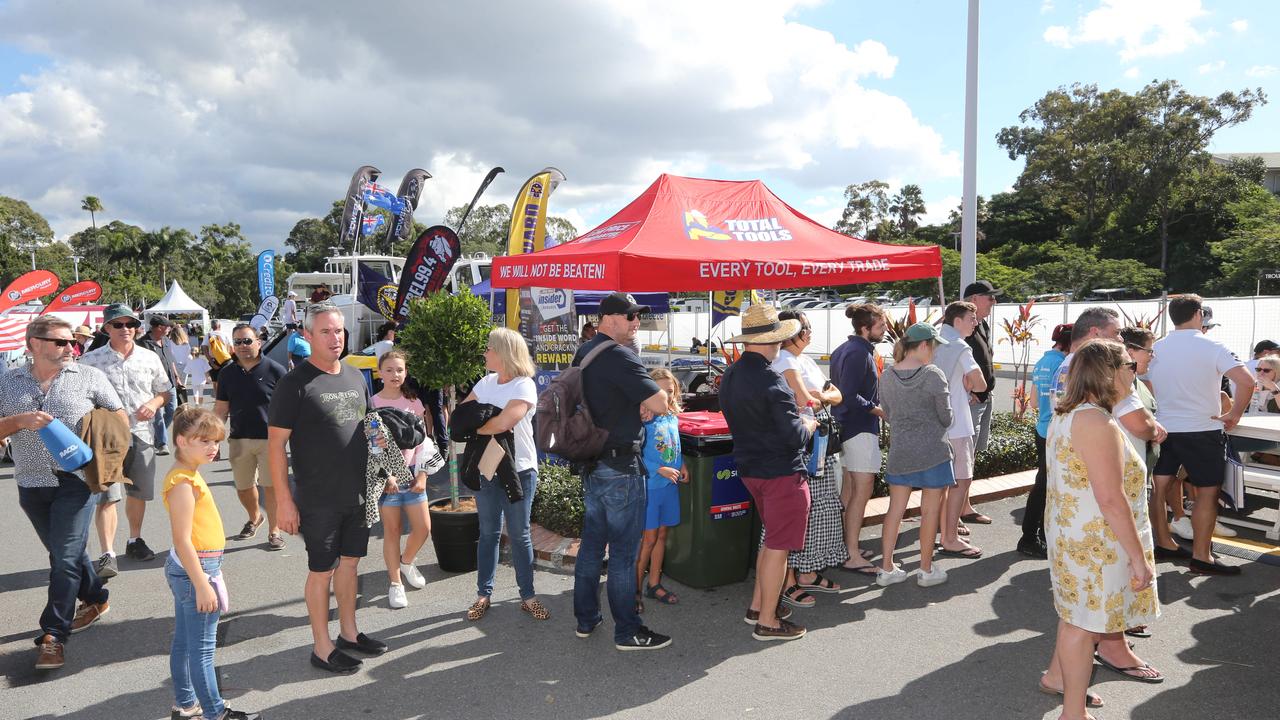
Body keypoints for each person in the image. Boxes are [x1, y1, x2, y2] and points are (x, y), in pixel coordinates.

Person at [0, 315, 125, 671]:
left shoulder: (89, 376)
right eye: (61, 342)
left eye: (72, 342)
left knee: (64, 558)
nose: (71, 347)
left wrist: (103, 447)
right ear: (34, 344)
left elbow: (119, 419)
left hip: (77, 481)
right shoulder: (8, 383)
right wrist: (18, 421)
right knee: (64, 553)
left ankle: (53, 636)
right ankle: (97, 598)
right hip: (31, 481)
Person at [1043, 339, 1160, 716]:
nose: (1136, 370)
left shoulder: (1070, 412)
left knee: (1076, 617)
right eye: (1130, 364)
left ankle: (1057, 679)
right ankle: (1072, 712)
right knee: (1084, 624)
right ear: (1109, 372)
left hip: (1075, 533)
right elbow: (1111, 498)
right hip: (1096, 540)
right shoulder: (1097, 421)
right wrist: (1138, 558)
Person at [268, 303, 386, 673]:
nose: (335, 338)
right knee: (322, 570)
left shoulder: (355, 377)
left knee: (350, 563)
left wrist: (387, 468)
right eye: (325, 332)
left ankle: (349, 634)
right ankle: (321, 647)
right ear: (307, 335)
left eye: (339, 331)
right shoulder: (293, 384)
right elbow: (275, 447)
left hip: (359, 492)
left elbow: (370, 428)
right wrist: (284, 502)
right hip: (318, 498)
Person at [572, 292, 672, 651]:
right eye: (630, 317)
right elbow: (660, 401)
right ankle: (628, 631)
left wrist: (638, 404)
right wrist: (646, 404)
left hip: (593, 462)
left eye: (637, 317)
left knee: (592, 548)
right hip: (620, 466)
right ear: (608, 319)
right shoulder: (618, 355)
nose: (636, 323)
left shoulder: (586, 351)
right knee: (623, 556)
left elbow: (610, 399)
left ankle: (586, 619)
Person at [720, 303, 816, 641]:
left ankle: (759, 607)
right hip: (781, 472)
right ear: (771, 339)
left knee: (771, 540)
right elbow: (795, 436)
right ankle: (768, 621)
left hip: (750, 468)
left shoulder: (731, 373)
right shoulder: (772, 381)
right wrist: (808, 421)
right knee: (778, 546)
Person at [162, 405, 262, 720]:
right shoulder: (182, 482)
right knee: (202, 650)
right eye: (203, 440)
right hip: (196, 569)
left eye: (215, 441)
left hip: (195, 567)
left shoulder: (188, 474)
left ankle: (186, 704)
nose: (212, 447)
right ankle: (214, 713)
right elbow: (182, 540)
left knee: (184, 641)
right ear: (181, 440)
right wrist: (203, 584)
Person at [1147, 294, 1252, 575]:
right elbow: (1247, 381)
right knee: (1206, 493)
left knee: (1159, 490)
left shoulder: (1156, 348)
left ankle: (1164, 544)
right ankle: (1202, 557)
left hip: (1164, 428)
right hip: (1202, 430)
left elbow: (1146, 382)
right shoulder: (1213, 346)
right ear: (1198, 314)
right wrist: (1235, 414)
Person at [80, 303, 173, 576]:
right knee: (107, 495)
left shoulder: (149, 357)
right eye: (118, 325)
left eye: (130, 324)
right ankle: (108, 553)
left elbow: (165, 390)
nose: (125, 329)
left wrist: (154, 403)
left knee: (138, 492)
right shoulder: (90, 360)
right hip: (106, 439)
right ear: (106, 328)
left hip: (142, 434)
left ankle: (134, 539)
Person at [461, 328, 547, 622]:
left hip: (519, 470)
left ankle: (528, 595)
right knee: (488, 533)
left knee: (521, 535)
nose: (484, 353)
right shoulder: (486, 381)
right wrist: (487, 420)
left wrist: (480, 422)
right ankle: (483, 594)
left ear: (503, 352)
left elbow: (505, 422)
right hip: (487, 467)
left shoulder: (524, 385)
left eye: (489, 348)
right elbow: (460, 417)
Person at [772, 310, 847, 607]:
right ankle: (788, 581)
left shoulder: (805, 361)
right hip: (800, 444)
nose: (810, 332)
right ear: (793, 331)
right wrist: (820, 397)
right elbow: (806, 400)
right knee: (799, 513)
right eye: (806, 327)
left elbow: (832, 395)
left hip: (819, 442)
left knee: (818, 511)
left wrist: (820, 397)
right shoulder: (784, 361)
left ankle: (808, 571)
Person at [876, 322, 954, 588]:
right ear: (923, 345)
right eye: (933, 347)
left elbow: (887, 413)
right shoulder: (933, 375)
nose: (933, 352)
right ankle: (925, 569)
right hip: (933, 451)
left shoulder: (886, 376)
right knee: (930, 512)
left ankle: (886, 569)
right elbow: (946, 418)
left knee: (894, 511)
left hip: (901, 451)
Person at [214, 323, 288, 551]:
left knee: (271, 486)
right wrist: (213, 439)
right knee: (244, 487)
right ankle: (255, 517)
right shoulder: (227, 373)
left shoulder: (276, 370)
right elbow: (220, 410)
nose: (243, 346)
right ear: (232, 346)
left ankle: (274, 531)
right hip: (239, 440)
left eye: (247, 341)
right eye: (237, 342)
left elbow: (290, 409)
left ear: (259, 342)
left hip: (270, 441)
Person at [828, 302, 887, 574]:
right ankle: (851, 553)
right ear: (866, 328)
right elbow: (850, 396)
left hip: (848, 428)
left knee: (850, 490)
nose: (885, 330)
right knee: (861, 491)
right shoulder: (857, 353)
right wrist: (880, 411)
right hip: (859, 428)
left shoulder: (845, 349)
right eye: (881, 326)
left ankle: (845, 547)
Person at [370, 350, 432, 609]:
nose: (395, 374)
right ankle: (395, 583)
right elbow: (373, 444)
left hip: (413, 477)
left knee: (424, 529)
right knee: (392, 532)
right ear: (379, 372)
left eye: (400, 370)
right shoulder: (372, 403)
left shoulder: (414, 403)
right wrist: (386, 475)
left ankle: (406, 562)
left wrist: (422, 474)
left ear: (406, 372)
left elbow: (424, 443)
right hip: (387, 480)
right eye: (389, 370)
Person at [933, 301, 986, 559]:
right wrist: (968, 383)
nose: (975, 323)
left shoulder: (930, 341)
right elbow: (979, 383)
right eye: (971, 318)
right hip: (957, 423)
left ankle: (941, 529)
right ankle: (950, 537)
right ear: (957, 321)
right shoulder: (960, 346)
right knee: (961, 479)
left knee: (940, 482)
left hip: (933, 422)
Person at [635, 367, 688, 612]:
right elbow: (634, 455)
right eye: (661, 392)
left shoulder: (671, 416)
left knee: (662, 536)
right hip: (651, 488)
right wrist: (659, 469)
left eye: (670, 391)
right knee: (648, 540)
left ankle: (654, 584)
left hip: (669, 486)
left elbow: (673, 445)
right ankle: (633, 590)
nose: (667, 397)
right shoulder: (644, 418)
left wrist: (682, 463)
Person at [1019, 323, 1072, 558]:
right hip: (1055, 431)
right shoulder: (1063, 364)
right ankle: (1030, 537)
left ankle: (1035, 535)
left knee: (1044, 484)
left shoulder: (1042, 362)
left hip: (1042, 428)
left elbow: (1033, 402)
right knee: (1045, 486)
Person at [960, 280, 999, 525]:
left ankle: (964, 506)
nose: (994, 302)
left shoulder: (981, 325)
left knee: (970, 457)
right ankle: (955, 512)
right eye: (990, 297)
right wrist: (969, 390)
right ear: (974, 299)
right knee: (963, 459)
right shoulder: (963, 326)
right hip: (971, 400)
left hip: (983, 398)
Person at [139, 315, 181, 455]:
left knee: (172, 411)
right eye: (167, 326)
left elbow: (171, 361)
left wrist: (176, 376)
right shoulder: (142, 343)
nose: (169, 329)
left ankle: (157, 436)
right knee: (158, 415)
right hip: (153, 385)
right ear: (159, 327)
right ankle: (162, 444)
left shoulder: (166, 341)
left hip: (170, 382)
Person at [167, 324, 194, 405]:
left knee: (174, 386)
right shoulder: (186, 344)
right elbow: (189, 355)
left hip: (173, 366)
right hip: (184, 366)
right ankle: (183, 404)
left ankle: (176, 403)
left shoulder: (169, 342)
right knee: (182, 386)